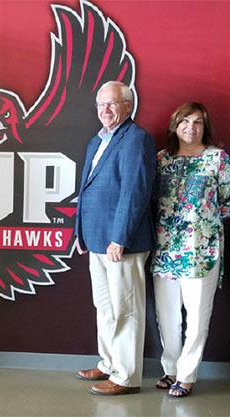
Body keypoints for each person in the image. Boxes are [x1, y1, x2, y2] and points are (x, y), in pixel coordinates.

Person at [150, 102, 230, 398]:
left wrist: (201, 224)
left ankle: (186, 376)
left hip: (201, 251)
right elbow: (151, 199)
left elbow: (229, 202)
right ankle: (171, 368)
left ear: (205, 127)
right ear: (175, 125)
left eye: (198, 122)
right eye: (185, 121)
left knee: (197, 317)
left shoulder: (217, 159)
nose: (191, 127)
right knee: (167, 316)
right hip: (164, 250)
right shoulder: (161, 159)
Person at [73, 81, 156, 395]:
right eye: (100, 105)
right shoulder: (98, 140)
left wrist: (119, 238)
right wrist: (80, 231)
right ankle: (108, 363)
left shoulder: (137, 140)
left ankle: (126, 376)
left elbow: (134, 194)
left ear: (128, 105)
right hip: (96, 239)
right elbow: (86, 191)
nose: (104, 110)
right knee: (105, 307)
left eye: (112, 104)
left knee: (127, 309)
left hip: (122, 243)